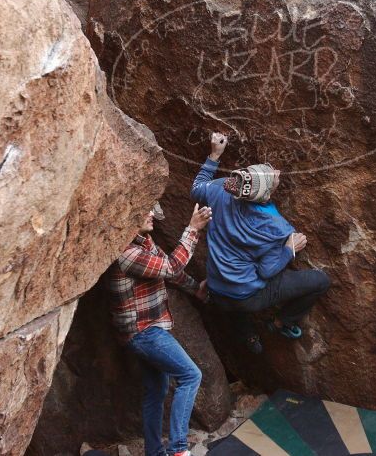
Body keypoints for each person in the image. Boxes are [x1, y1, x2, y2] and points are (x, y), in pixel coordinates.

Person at [190, 132, 331, 354]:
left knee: (233, 303)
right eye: (272, 178)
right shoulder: (275, 226)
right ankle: (282, 322)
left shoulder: (221, 189)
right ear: (264, 196)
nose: (277, 172)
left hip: (217, 287)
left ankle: (249, 339)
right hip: (246, 295)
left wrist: (215, 155)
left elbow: (196, 188)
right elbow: (266, 271)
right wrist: (288, 249)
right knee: (321, 281)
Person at [107, 202, 212, 456]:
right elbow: (171, 267)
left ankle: (154, 452)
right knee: (190, 376)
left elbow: (167, 270)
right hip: (143, 332)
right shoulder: (126, 254)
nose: (152, 214)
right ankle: (178, 449)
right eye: (146, 210)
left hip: (150, 330)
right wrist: (192, 229)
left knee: (156, 391)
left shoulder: (144, 241)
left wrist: (194, 288)